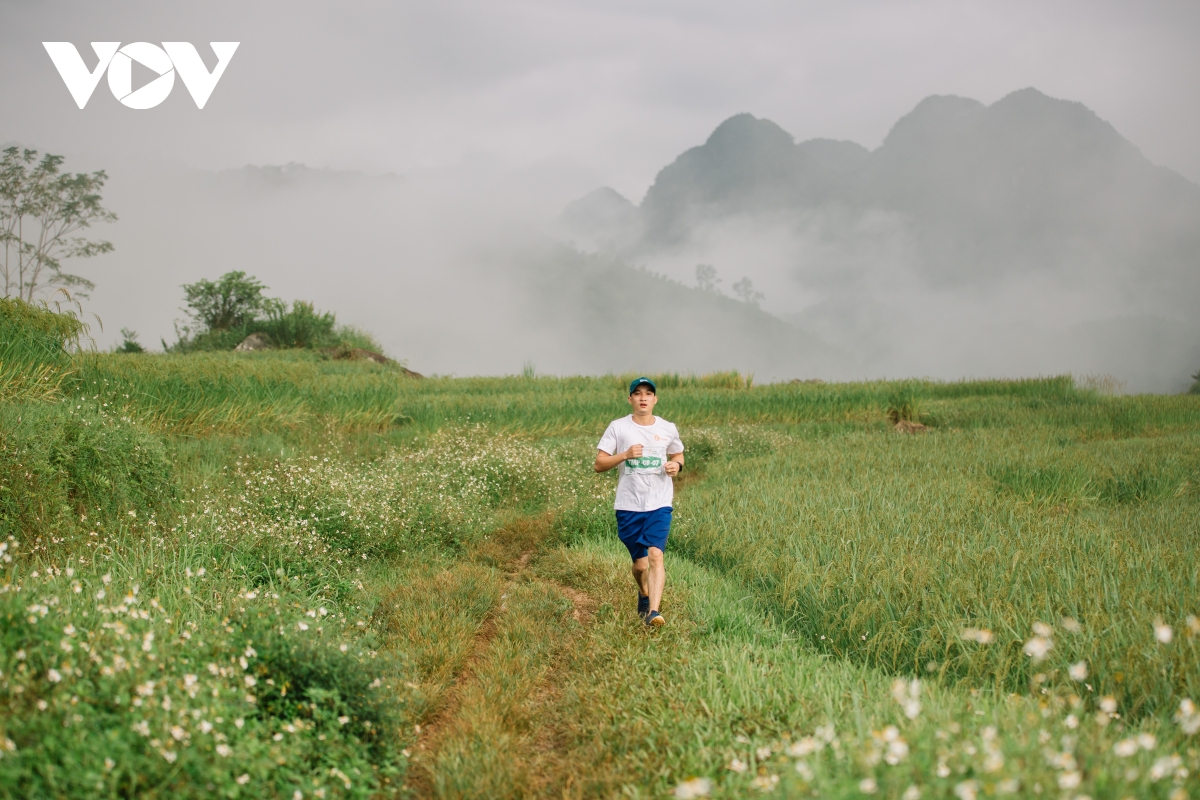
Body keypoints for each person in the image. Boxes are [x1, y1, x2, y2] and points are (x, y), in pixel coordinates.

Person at [594, 377, 685, 627]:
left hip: (659, 503)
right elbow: (599, 464)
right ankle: (643, 593)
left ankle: (653, 612)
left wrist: (676, 465)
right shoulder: (618, 427)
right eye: (637, 393)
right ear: (630, 399)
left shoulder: (667, 428)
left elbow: (678, 453)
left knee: (656, 555)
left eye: (648, 393)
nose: (643, 397)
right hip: (629, 506)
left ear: (655, 399)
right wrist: (624, 455)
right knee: (640, 566)